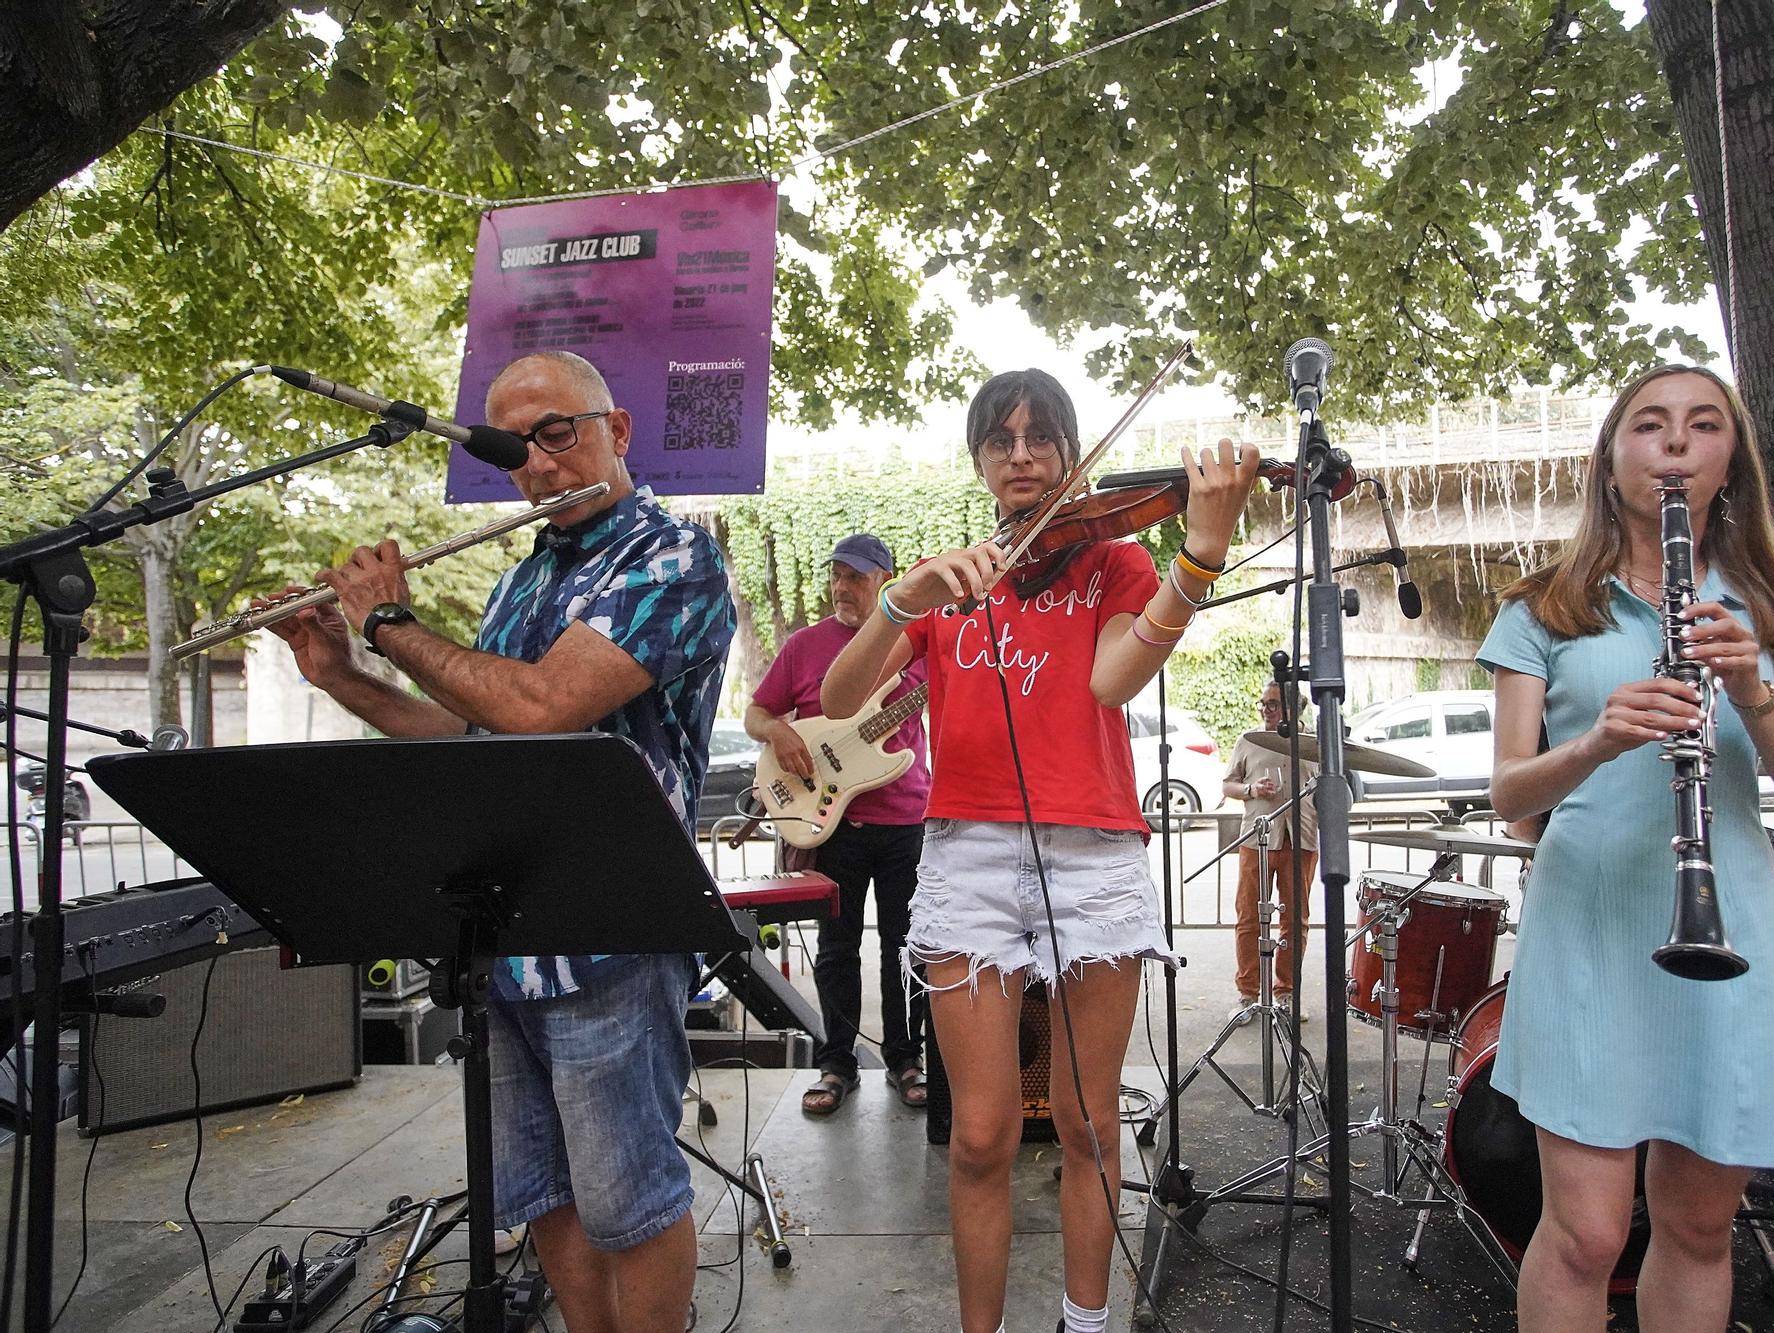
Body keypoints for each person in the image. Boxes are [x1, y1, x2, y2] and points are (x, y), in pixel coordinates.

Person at [264, 349, 733, 1333]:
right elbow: (476, 739)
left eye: (556, 431)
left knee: (627, 1194)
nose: (536, 461)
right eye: (514, 446)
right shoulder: (520, 584)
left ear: (618, 433)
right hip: (506, 934)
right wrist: (347, 674)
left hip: (613, 931)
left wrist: (390, 620)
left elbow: (543, 705)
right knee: (540, 1190)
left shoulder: (671, 557)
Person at [819, 368, 1260, 1333]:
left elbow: (1113, 678)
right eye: (1000, 438)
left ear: (1068, 450)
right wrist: (900, 601)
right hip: (966, 856)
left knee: (1088, 1123)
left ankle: (1085, 1323)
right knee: (979, 1135)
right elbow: (839, 703)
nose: (1022, 454)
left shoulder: (1117, 564)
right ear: (978, 458)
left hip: (1091, 854)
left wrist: (1202, 553)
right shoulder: (944, 580)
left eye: (1041, 437)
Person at [1476, 365, 1774, 1332]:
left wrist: (1754, 691)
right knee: (1584, 1235)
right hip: (1591, 924)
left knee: (1695, 1225)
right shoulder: (1544, 608)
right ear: (1612, 458)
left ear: (1732, 459)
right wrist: (1599, 739)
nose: (1675, 444)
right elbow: (1513, 799)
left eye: (1702, 425)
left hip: (1728, 935)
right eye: (1649, 425)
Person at [746, 532, 932, 1116]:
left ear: (886, 580)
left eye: (855, 576)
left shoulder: (916, 642)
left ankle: (907, 1060)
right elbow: (758, 711)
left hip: (905, 819)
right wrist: (778, 731)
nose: (841, 587)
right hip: (832, 822)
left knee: (906, 949)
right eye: (837, 575)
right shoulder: (805, 646)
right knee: (837, 946)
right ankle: (836, 1063)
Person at [1220, 680, 1318, 1016]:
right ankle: (1248, 995)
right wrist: (1250, 789)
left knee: (1295, 920)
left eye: (1273, 704)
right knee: (1248, 917)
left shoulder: (1314, 743)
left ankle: (1286, 992)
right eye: (1263, 703)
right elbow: (1227, 784)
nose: (1266, 710)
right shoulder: (1248, 740)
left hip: (1301, 840)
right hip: (1256, 839)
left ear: (1295, 707)